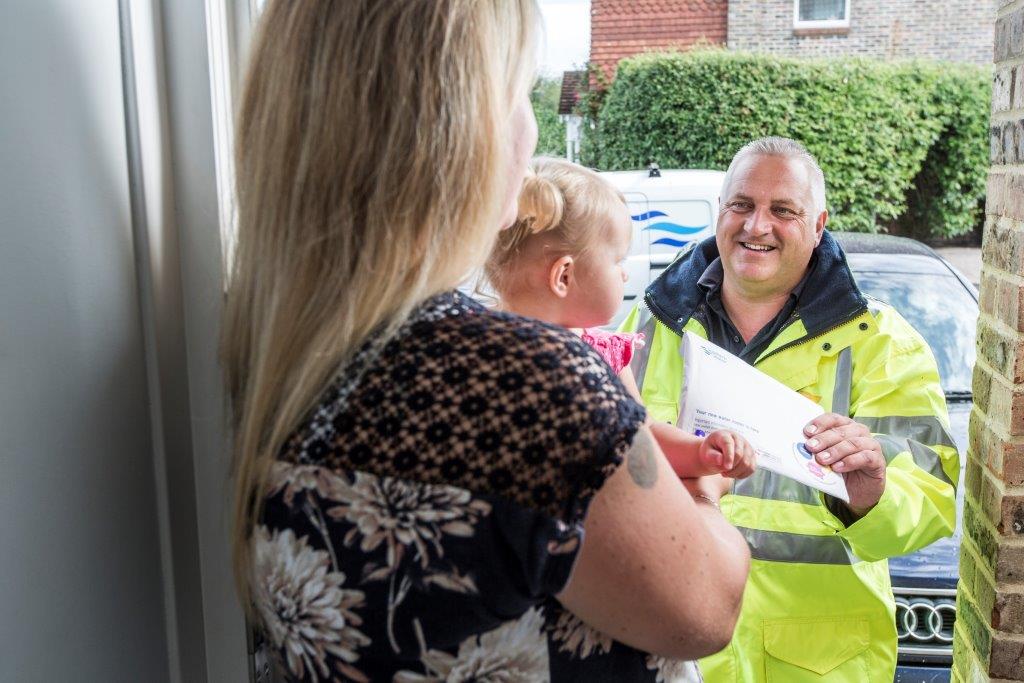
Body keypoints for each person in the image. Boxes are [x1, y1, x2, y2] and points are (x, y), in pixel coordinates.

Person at [221, 2, 750, 682]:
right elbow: (710, 608)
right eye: (515, 90)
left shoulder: (266, 353)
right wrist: (702, 493)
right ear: (456, 133)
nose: (530, 127)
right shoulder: (529, 386)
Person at [621, 136, 959, 681]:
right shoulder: (648, 325)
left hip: (816, 665)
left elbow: (933, 500)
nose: (757, 227)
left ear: (819, 224)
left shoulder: (883, 344)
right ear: (720, 212)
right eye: (742, 205)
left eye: (783, 210)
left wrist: (870, 491)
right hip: (665, 649)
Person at [486, 157, 756, 481]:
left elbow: (646, 435)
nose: (625, 273)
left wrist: (700, 453)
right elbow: (645, 441)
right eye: (617, 260)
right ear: (565, 276)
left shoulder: (470, 347)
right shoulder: (598, 357)